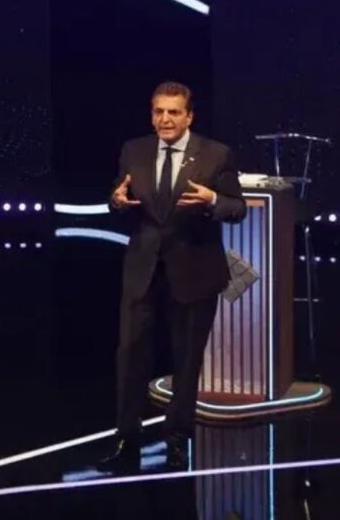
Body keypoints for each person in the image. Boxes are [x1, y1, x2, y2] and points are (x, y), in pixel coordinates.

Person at [98, 81, 246, 471]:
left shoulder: (216, 154)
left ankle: (178, 439)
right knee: (130, 356)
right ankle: (126, 439)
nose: (165, 119)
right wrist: (116, 200)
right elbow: (119, 195)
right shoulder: (134, 150)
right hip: (143, 271)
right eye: (158, 111)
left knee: (186, 359)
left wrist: (213, 200)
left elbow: (237, 208)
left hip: (194, 272)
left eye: (174, 112)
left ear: (189, 116)